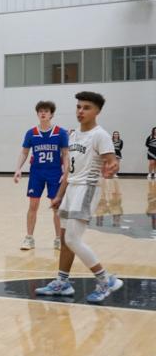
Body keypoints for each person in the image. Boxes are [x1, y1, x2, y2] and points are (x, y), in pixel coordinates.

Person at [35, 92, 123, 303]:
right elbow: (69, 171)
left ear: (97, 111)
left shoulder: (100, 135)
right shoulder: (73, 135)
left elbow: (111, 160)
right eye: (79, 107)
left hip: (87, 189)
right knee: (65, 241)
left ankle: (106, 280)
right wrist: (58, 195)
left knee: (73, 239)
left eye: (86, 108)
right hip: (71, 188)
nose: (81, 111)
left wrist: (112, 167)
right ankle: (62, 282)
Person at [12, 101, 69, 251]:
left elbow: (65, 154)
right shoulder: (31, 133)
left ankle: (58, 239)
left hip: (55, 172)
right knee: (33, 205)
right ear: (37, 114)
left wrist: (66, 171)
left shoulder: (60, 132)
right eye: (41, 111)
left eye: (46, 111)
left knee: (56, 206)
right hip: (36, 172)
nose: (43, 113)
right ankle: (29, 238)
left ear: (51, 114)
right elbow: (24, 152)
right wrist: (18, 168)